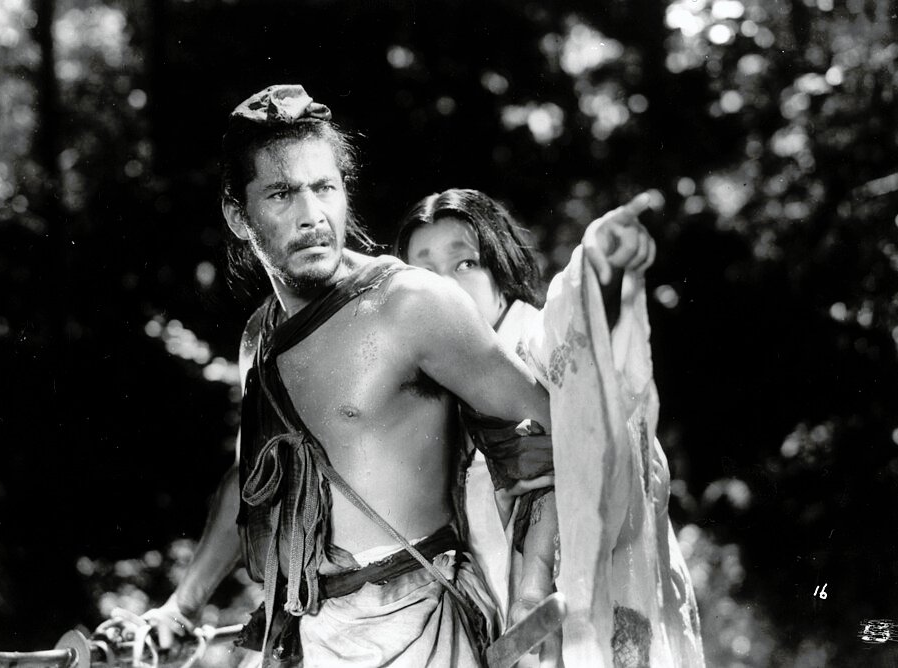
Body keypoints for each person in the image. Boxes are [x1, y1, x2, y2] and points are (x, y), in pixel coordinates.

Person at [138, 86, 657, 667]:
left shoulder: (410, 304)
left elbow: (553, 439)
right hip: (305, 636)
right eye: (282, 194)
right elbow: (252, 479)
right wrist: (181, 608)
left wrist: (530, 588)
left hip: (419, 628)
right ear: (239, 216)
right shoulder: (258, 339)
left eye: (324, 188)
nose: (312, 215)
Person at [396, 189, 705, 667]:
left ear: (501, 272)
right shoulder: (433, 395)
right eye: (426, 274)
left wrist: (596, 267)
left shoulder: (532, 345)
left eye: (465, 264)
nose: (446, 289)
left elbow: (571, 327)